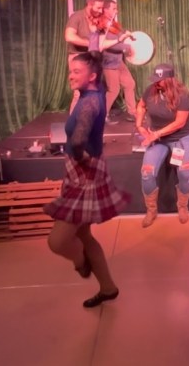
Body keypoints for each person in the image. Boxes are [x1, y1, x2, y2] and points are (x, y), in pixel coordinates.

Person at [43, 51, 129, 308]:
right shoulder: (92, 94)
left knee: (57, 242)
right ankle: (108, 288)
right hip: (79, 173)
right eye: (71, 71)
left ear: (92, 76)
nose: (70, 76)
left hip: (84, 176)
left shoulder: (90, 103)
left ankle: (82, 264)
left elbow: (79, 140)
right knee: (84, 235)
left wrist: (81, 158)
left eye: (76, 72)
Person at [135, 64, 189, 227]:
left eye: (160, 80)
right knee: (147, 173)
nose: (156, 83)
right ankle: (151, 210)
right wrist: (139, 125)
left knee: (184, 172)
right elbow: (141, 106)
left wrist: (155, 134)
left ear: (169, 80)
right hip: (158, 139)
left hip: (181, 137)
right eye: (155, 79)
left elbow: (180, 123)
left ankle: (182, 206)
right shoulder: (150, 90)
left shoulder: (182, 94)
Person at [64, 0, 107, 111]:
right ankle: (74, 120)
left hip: (92, 58)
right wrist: (91, 43)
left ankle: (91, 117)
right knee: (79, 92)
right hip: (79, 57)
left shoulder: (97, 20)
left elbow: (101, 41)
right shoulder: (77, 16)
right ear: (89, 5)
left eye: (102, 8)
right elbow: (69, 36)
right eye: (98, 8)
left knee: (94, 89)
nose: (101, 11)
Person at [99, 0, 137, 123]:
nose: (116, 11)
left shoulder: (113, 24)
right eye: (114, 8)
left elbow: (119, 37)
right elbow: (110, 45)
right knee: (114, 90)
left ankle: (132, 113)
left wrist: (127, 35)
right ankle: (102, 115)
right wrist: (127, 47)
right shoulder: (102, 25)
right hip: (109, 62)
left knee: (130, 84)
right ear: (105, 10)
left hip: (118, 61)